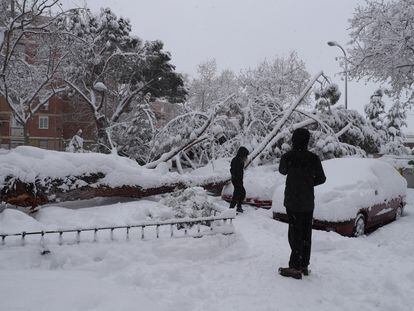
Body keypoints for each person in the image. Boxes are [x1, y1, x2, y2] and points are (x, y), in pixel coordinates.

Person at [278, 128, 326, 279]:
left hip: (292, 201)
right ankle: (304, 264)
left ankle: (295, 266)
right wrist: (309, 183)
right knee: (306, 233)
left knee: (294, 233)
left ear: (294, 140)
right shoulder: (313, 158)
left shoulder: (288, 157)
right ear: (307, 141)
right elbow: (322, 178)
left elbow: (282, 171)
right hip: (307, 201)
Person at [229, 146, 249, 213]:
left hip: (239, 180)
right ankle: (231, 210)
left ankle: (238, 207)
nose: (246, 157)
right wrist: (235, 176)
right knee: (237, 194)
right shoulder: (236, 160)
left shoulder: (241, 160)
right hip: (236, 180)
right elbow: (232, 170)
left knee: (242, 193)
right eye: (245, 155)